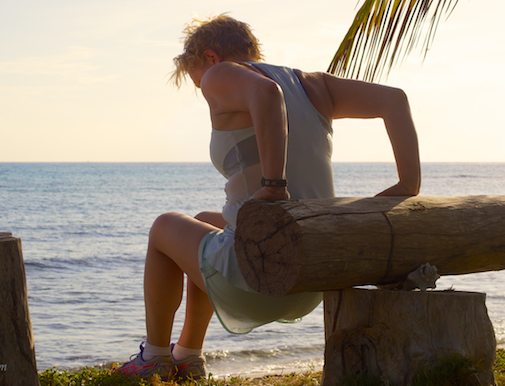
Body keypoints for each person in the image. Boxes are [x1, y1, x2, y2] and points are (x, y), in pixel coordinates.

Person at [117, 14, 421, 381]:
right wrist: (408, 183)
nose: (208, 95)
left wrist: (274, 185)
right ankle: (187, 356)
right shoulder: (314, 85)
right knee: (202, 222)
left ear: (211, 58)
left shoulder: (222, 74)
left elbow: (265, 93)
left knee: (163, 227)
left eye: (199, 84)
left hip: (262, 273)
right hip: (314, 274)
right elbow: (395, 100)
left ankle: (153, 357)